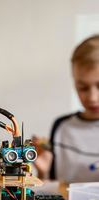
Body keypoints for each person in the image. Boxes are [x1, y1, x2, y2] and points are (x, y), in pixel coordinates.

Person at [35, 34, 99, 183]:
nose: (92, 98)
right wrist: (43, 173)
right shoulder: (62, 127)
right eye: (82, 87)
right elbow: (52, 191)